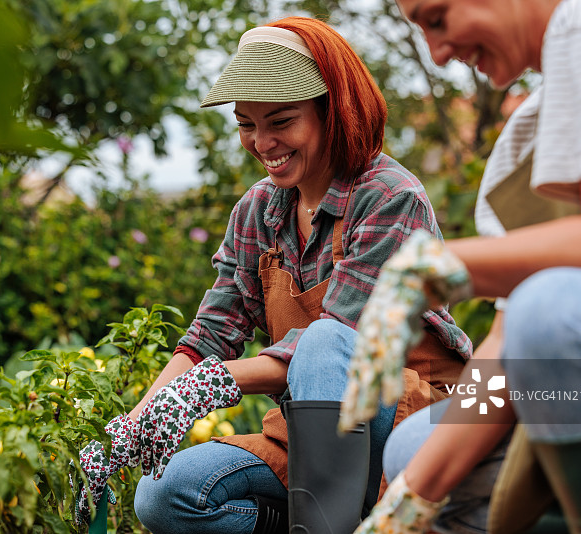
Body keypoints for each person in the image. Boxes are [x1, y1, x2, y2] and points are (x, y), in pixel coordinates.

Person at [74, 16, 472, 534]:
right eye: (246, 123)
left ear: (332, 112)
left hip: (406, 418)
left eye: (280, 121)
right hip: (310, 433)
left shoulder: (390, 199)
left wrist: (207, 387)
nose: (262, 143)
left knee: (326, 340)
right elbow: (210, 337)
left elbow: (341, 345)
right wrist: (130, 428)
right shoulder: (258, 212)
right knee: (164, 496)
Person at [340, 0, 581, 532]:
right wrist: (413, 496)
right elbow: (513, 343)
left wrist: (430, 267)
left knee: (555, 308)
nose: (437, 55)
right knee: (417, 450)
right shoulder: (535, 125)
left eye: (437, 18)